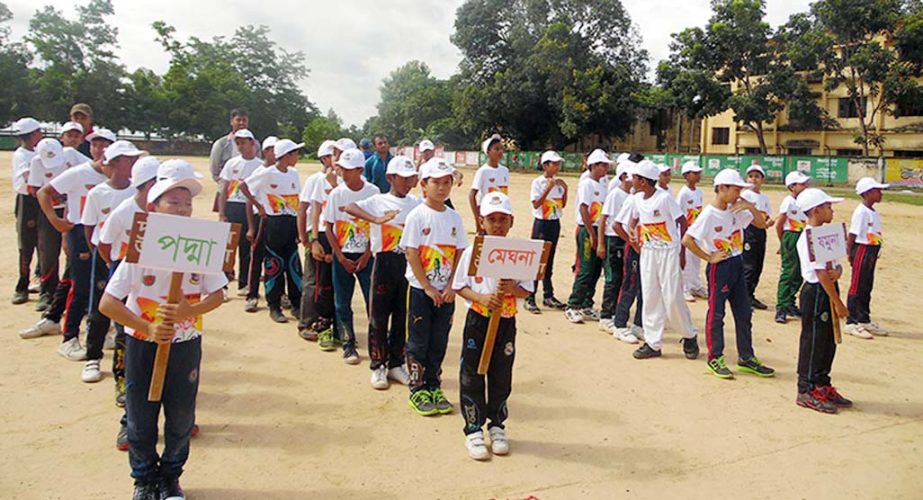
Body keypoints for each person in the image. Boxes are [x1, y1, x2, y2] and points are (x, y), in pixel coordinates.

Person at [99, 159, 226, 499]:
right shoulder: (138, 251)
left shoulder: (203, 246)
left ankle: (171, 477)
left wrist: (191, 309)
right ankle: (143, 480)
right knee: (140, 416)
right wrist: (147, 327)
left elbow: (218, 294)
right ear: (153, 205)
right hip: (142, 343)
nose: (183, 209)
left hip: (186, 343)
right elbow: (108, 304)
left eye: (187, 202)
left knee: (182, 415)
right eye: (173, 201)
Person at [453, 191, 532, 461]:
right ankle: (473, 429)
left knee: (501, 374)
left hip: (507, 321)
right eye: (491, 219)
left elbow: (528, 290)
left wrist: (513, 288)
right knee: (473, 373)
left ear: (511, 221)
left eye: (502, 219)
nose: (497, 224)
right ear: (481, 221)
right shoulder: (472, 252)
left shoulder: (521, 254)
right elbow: (459, 286)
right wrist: (482, 298)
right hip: (479, 320)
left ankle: (497, 425)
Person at [682, 169, 775, 379]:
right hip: (720, 267)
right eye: (736, 189)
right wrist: (709, 257)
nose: (739, 194)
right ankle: (715, 358)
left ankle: (746, 357)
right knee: (716, 313)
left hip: (737, 262)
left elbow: (761, 225)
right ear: (722, 188)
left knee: (744, 313)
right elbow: (688, 240)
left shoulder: (737, 210)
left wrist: (749, 206)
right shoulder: (709, 214)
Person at [38, 128, 115, 361]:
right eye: (95, 145)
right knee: (80, 287)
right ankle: (69, 337)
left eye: (105, 145)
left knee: (102, 285)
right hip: (80, 231)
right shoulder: (79, 173)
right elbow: (44, 192)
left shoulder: (116, 178)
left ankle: (99, 330)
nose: (100, 150)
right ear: (89, 147)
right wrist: (55, 221)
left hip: (105, 234)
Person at [344, 155, 421, 387]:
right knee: (378, 316)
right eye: (403, 179)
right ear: (390, 177)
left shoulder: (417, 203)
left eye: (412, 179)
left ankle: (396, 364)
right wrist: (376, 219)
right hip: (384, 262)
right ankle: (378, 365)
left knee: (401, 316)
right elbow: (349, 207)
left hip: (407, 264)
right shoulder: (378, 200)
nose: (408, 183)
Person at [400, 157, 467, 416]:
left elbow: (460, 252)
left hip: (446, 293)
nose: (441, 188)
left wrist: (451, 286)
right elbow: (412, 253)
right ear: (423, 185)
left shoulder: (454, 218)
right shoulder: (417, 216)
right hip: (420, 291)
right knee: (418, 341)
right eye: (436, 183)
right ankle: (417, 389)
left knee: (439, 341)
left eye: (446, 183)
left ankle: (434, 385)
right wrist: (427, 287)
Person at [97, 156, 160, 420]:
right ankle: (123, 382)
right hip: (125, 273)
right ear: (147, 186)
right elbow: (103, 244)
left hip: (154, 277)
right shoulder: (123, 211)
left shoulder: (164, 212)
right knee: (126, 333)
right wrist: (117, 268)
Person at [79, 140, 147, 383]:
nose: (133, 163)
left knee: (125, 315)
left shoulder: (137, 192)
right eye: (129, 159)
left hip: (133, 261)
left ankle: (124, 369)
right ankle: (92, 357)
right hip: (108, 257)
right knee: (99, 308)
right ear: (115, 163)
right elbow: (89, 230)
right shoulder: (98, 193)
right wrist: (106, 261)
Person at [616, 160, 699, 360]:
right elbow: (632, 219)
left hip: (668, 252)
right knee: (650, 296)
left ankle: (689, 335)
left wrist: (681, 252)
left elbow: (682, 221)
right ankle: (653, 343)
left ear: (644, 181)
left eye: (635, 177)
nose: (631, 180)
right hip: (649, 253)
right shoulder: (636, 199)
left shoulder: (664, 199)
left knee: (672, 297)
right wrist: (634, 236)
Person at [793, 188, 852, 414]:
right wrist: (838, 303)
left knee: (828, 340)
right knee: (814, 340)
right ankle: (806, 389)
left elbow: (834, 265)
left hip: (828, 287)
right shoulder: (808, 237)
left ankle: (822, 383)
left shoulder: (825, 234)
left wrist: (838, 271)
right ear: (816, 210)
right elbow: (819, 274)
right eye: (828, 207)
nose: (832, 210)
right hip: (817, 292)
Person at [323, 148, 379, 364]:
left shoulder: (373, 192)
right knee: (342, 302)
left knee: (372, 302)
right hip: (342, 256)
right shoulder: (337, 193)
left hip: (367, 257)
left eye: (347, 170)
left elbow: (377, 227)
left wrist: (367, 255)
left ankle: (376, 345)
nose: (342, 173)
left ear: (360, 170)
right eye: (340, 169)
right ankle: (348, 344)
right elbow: (328, 227)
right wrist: (340, 257)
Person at [241, 139, 303, 324]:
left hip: (291, 223)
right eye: (295, 153)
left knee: (293, 265)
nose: (297, 157)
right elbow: (244, 186)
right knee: (274, 265)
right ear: (287, 156)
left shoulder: (294, 173)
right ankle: (274, 306)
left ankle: (296, 304)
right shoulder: (267, 173)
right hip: (273, 224)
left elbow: (297, 201)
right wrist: (259, 206)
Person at [296, 140, 336, 341]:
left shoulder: (344, 181)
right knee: (313, 281)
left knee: (331, 283)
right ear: (323, 158)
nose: (336, 158)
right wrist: (305, 238)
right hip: (317, 235)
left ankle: (328, 322)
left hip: (336, 236)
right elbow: (303, 209)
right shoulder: (315, 180)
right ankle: (307, 322)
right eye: (332, 155)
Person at [564, 149, 610, 324]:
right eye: (603, 165)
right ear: (594, 166)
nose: (605, 168)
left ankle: (586, 304)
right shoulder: (587, 183)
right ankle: (573, 305)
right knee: (585, 268)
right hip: (587, 230)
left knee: (596, 270)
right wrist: (591, 233)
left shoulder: (602, 184)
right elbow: (584, 208)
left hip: (599, 230)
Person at [217, 129, 262, 297]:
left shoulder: (259, 165)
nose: (241, 146)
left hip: (250, 210)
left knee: (246, 248)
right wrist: (222, 213)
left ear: (252, 143)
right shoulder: (232, 163)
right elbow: (224, 189)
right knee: (228, 248)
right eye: (238, 143)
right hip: (232, 206)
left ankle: (244, 284)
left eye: (244, 142)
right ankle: (223, 285)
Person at [845, 177, 890, 339]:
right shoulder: (861, 211)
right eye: (878, 191)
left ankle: (863, 318)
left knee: (866, 285)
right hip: (862, 250)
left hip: (871, 251)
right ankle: (851, 322)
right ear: (868, 193)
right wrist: (850, 253)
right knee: (857, 286)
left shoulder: (872, 212)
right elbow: (853, 234)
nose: (881, 193)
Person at [524, 150, 568, 313]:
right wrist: (548, 188)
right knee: (537, 261)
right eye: (554, 164)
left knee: (549, 260)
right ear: (545, 165)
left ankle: (548, 295)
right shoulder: (538, 182)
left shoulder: (558, 182)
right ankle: (530, 296)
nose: (557, 167)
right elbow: (536, 204)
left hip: (554, 222)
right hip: (541, 224)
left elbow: (562, 205)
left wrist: (565, 190)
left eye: (558, 164)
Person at [597, 160, 636, 343]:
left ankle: (614, 312)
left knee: (622, 278)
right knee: (612, 278)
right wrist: (601, 244)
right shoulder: (615, 195)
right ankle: (605, 316)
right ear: (623, 177)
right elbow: (604, 220)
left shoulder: (632, 195)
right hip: (613, 239)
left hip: (625, 238)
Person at [10, 117, 43, 305]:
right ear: (32, 134)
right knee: (26, 244)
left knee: (44, 244)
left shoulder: (40, 152)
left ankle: (41, 281)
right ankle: (22, 286)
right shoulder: (22, 154)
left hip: (42, 199)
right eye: (39, 131)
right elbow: (28, 176)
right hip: (28, 201)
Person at [243, 136, 278, 313]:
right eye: (273, 149)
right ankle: (252, 295)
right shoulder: (260, 172)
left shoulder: (282, 172)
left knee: (278, 258)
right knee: (256, 258)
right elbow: (249, 199)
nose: (276, 152)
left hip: (277, 221)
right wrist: (251, 226)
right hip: (261, 220)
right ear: (265, 151)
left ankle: (279, 294)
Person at [775, 171, 811, 324]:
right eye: (802, 184)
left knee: (799, 273)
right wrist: (783, 242)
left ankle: (790, 302)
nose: (806, 186)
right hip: (791, 235)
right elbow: (779, 223)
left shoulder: (806, 201)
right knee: (789, 272)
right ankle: (781, 307)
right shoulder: (789, 202)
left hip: (802, 236)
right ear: (792, 187)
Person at [741, 164, 774, 310]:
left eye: (757, 176)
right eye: (751, 176)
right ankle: (744, 296)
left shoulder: (764, 197)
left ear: (763, 180)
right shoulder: (745, 196)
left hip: (761, 232)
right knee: (749, 265)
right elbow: (746, 216)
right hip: (749, 231)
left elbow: (767, 215)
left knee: (758, 265)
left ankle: (751, 294)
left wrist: (768, 223)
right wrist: (761, 224)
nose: (754, 179)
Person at [676, 161, 707, 302]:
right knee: (686, 260)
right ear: (686, 175)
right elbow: (678, 214)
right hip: (687, 231)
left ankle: (695, 285)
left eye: (698, 173)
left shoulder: (699, 192)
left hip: (697, 231)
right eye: (695, 173)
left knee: (696, 259)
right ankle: (685, 288)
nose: (698, 175)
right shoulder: (683, 193)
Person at [468, 134, 509, 233]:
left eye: (501, 149)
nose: (500, 152)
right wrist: (477, 219)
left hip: (500, 213)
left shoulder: (505, 171)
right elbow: (472, 195)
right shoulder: (483, 171)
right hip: (487, 214)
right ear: (488, 152)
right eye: (496, 149)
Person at [208, 109, 250, 183]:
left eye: (244, 120)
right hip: (227, 186)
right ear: (231, 122)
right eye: (238, 120)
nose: (241, 123)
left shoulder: (255, 144)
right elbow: (214, 167)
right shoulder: (221, 143)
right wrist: (222, 183)